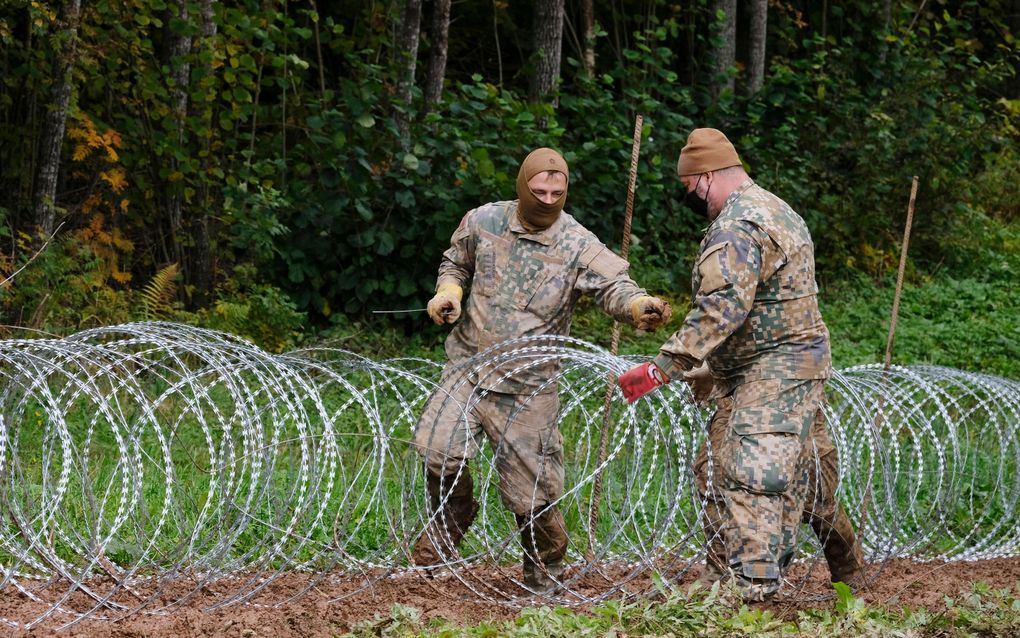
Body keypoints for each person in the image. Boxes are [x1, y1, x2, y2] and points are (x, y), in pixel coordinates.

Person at [618, 128, 865, 601]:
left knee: (752, 473)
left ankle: (753, 588)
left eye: (690, 189)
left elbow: (722, 307)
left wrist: (662, 367)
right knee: (774, 468)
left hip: (777, 369)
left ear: (707, 177)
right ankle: (842, 567)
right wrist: (716, 368)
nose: (690, 197)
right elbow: (769, 304)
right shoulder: (775, 207)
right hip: (777, 362)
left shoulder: (739, 225)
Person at [412, 147, 673, 594]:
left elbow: (614, 286)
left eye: (558, 190)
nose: (548, 198)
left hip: (528, 387)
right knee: (436, 450)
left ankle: (544, 572)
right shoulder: (484, 220)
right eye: (539, 190)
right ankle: (452, 519)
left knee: (532, 493)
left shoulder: (576, 242)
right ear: (522, 185)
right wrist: (448, 292)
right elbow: (456, 261)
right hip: (468, 368)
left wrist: (637, 306)